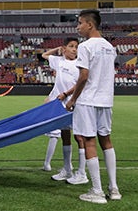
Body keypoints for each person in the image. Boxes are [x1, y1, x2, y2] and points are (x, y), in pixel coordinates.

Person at [66, 9, 121, 204]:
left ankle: (97, 191)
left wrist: (72, 99)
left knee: (88, 141)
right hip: (106, 99)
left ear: (90, 24)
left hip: (88, 100)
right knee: (106, 140)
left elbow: (84, 76)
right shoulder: (109, 47)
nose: (77, 27)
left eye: (80, 23)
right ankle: (114, 188)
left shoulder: (86, 46)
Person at [41, 38, 88, 185]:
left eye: (76, 47)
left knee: (79, 137)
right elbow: (44, 55)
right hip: (61, 104)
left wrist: (67, 95)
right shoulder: (59, 61)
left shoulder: (79, 64)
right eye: (71, 46)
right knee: (65, 135)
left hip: (75, 102)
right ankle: (67, 169)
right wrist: (57, 49)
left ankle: (82, 172)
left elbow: (81, 82)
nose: (74, 49)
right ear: (65, 48)